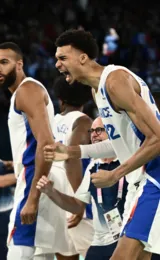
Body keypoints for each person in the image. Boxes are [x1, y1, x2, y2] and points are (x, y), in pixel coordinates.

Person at [46, 28, 160, 259]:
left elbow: (157, 138)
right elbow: (123, 144)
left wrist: (115, 174)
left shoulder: (115, 81)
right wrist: (73, 152)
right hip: (139, 180)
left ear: (83, 58)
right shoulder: (97, 90)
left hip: (154, 178)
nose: (57, 64)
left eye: (62, 58)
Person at [0, 42, 71, 260]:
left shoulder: (26, 90)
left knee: (18, 253)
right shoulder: (29, 91)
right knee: (40, 256)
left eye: (4, 62)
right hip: (43, 177)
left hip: (34, 179)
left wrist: (33, 197)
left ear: (19, 64)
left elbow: (46, 144)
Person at [38, 117, 129, 260]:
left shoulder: (130, 161)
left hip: (128, 240)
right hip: (100, 243)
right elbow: (77, 206)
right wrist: (51, 192)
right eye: (91, 131)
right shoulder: (93, 166)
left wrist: (69, 152)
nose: (94, 134)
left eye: (100, 130)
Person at [52, 76, 94, 260]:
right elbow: (71, 159)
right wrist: (79, 204)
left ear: (60, 99)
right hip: (78, 203)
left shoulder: (51, 121)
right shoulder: (84, 122)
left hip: (56, 200)